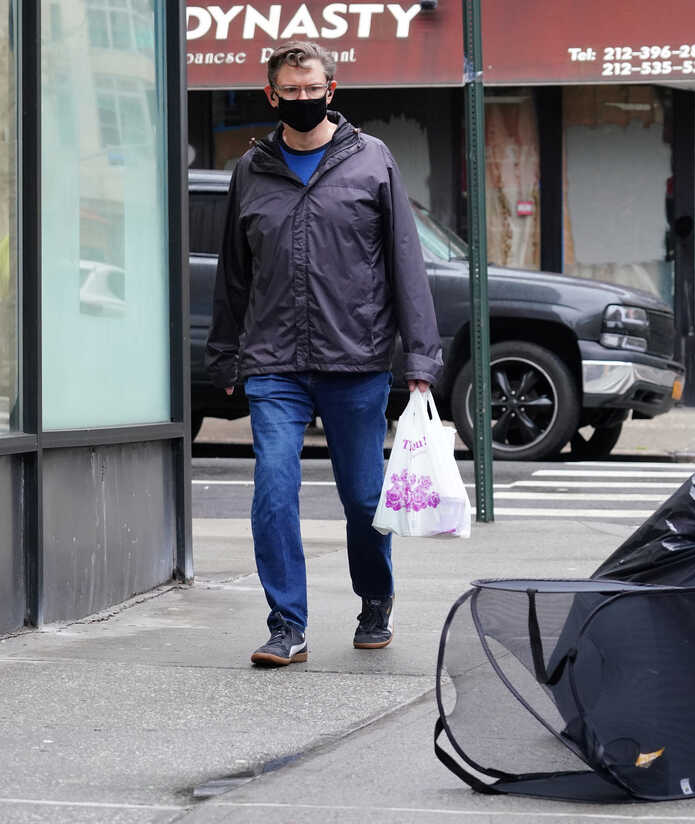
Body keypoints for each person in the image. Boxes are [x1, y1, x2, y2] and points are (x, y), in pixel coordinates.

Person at [205, 41, 443, 667]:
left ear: (331, 91)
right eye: (292, 91)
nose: (303, 100)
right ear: (272, 95)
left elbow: (406, 265)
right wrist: (225, 356)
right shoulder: (250, 171)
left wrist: (420, 360)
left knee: (364, 499)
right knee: (274, 491)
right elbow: (233, 272)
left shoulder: (372, 161)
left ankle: (375, 600)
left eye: (314, 90)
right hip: (273, 361)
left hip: (355, 359)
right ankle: (287, 624)